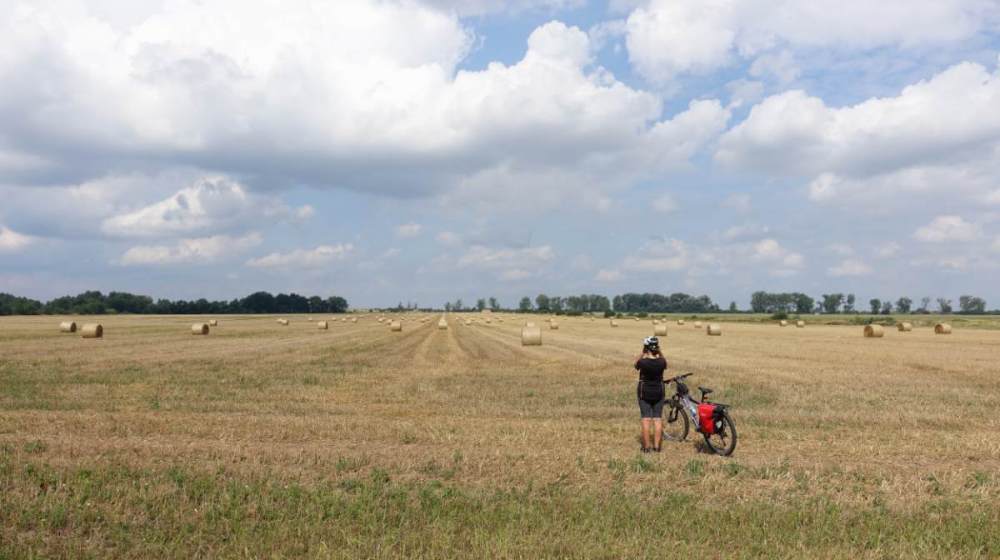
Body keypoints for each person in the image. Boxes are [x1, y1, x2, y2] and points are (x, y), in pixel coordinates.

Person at [634, 336, 667, 453]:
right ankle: (657, 447)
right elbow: (665, 362)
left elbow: (635, 364)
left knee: (646, 419)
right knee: (657, 419)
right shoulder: (662, 362)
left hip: (644, 392)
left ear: (646, 348)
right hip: (659, 391)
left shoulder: (643, 362)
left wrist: (642, 353)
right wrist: (659, 351)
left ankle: (646, 447)